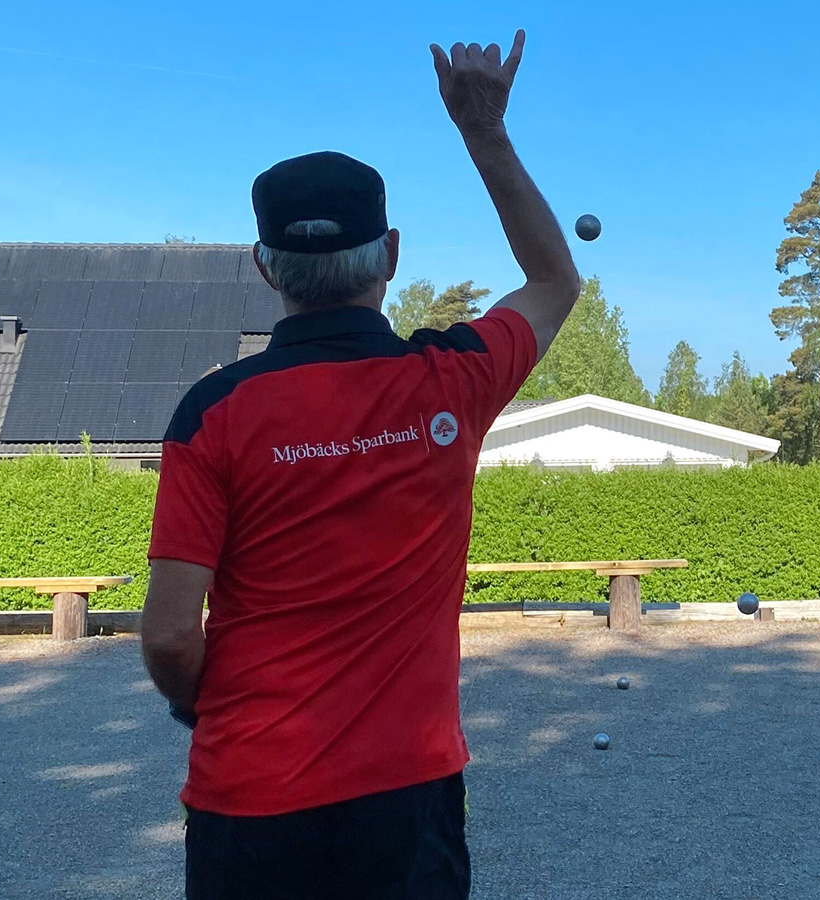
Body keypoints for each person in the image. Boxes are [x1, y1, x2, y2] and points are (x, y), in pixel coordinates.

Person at [139, 31, 580, 900]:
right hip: (405, 797)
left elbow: (166, 633)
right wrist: (484, 136)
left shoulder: (212, 413)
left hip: (248, 796)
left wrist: (206, 705)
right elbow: (555, 280)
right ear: (390, 256)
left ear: (266, 268)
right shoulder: (451, 379)